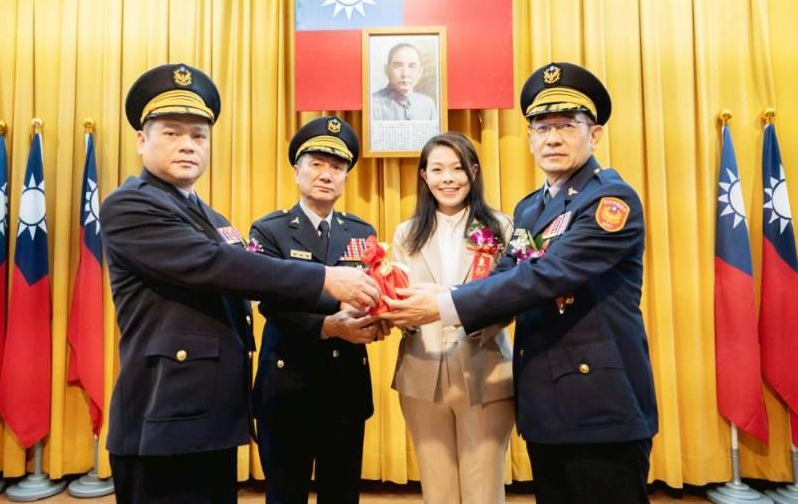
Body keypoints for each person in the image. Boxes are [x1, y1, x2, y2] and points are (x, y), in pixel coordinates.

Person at [101, 64, 379, 504]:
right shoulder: (131, 204)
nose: (189, 145)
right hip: (165, 416)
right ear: (141, 140)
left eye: (199, 136)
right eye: (172, 133)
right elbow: (218, 266)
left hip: (212, 414)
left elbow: (240, 273)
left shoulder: (214, 219)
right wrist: (328, 279)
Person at [383, 62, 659, 504]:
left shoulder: (609, 199)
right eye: (541, 126)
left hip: (597, 403)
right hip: (545, 400)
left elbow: (546, 275)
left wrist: (446, 303)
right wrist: (437, 297)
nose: (552, 138)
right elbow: (506, 275)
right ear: (529, 137)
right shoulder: (532, 209)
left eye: (567, 126)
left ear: (596, 135)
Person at [248, 116, 383, 504]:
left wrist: (377, 319)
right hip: (289, 385)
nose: (327, 175)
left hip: (345, 390)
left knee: (341, 495)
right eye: (317, 164)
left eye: (337, 167)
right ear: (297, 171)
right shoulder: (269, 230)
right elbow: (270, 301)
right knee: (285, 494)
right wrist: (328, 324)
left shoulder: (361, 232)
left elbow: (372, 292)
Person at [390, 132, 514, 504]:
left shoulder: (502, 227)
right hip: (421, 369)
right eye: (438, 169)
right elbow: (399, 295)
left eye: (458, 168)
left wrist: (455, 308)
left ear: (473, 172)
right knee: (437, 490)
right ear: (424, 176)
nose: (448, 178)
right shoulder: (405, 233)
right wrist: (397, 313)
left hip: (485, 369)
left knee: (483, 489)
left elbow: (511, 297)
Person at [371, 42, 436, 121]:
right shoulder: (373, 103)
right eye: (398, 66)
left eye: (412, 66)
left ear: (420, 72)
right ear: (387, 70)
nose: (405, 74)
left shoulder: (427, 104)